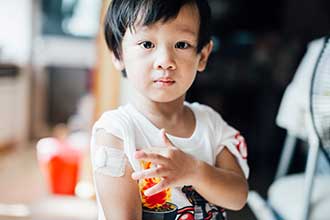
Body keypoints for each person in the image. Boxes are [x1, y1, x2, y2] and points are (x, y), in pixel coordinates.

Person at [90, 0, 249, 219]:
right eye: (147, 44)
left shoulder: (210, 123)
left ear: (202, 56)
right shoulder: (116, 132)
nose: (165, 61)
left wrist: (194, 171)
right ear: (118, 54)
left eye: (182, 45)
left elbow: (238, 196)